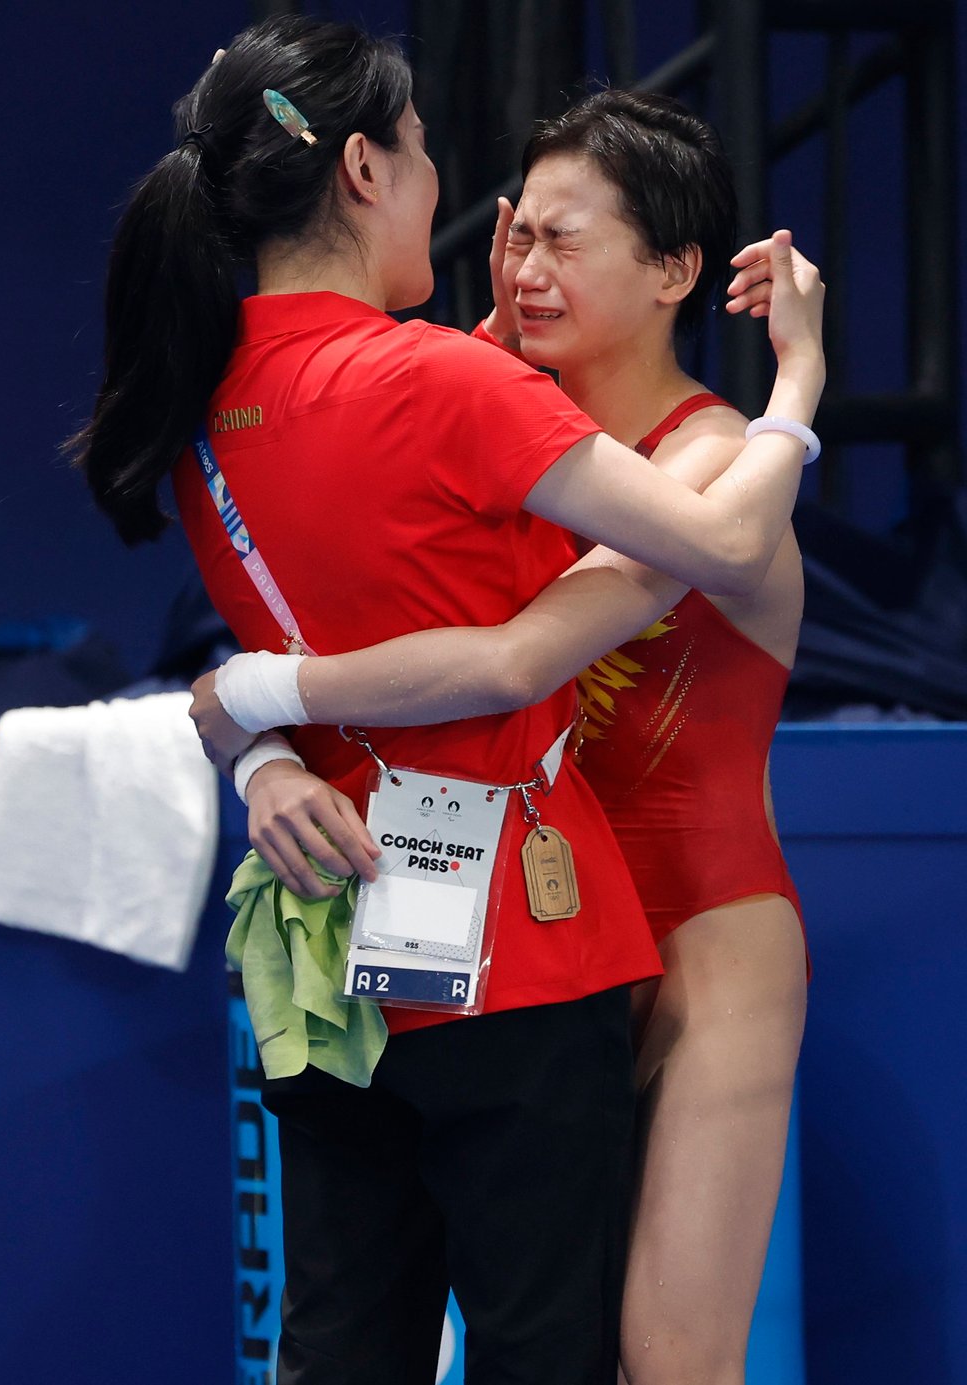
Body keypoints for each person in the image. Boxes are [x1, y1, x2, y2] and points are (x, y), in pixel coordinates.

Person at [73, 15, 823, 1384]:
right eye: (511, 228)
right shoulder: (457, 391)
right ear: (364, 174)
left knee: (658, 1359)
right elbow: (471, 640)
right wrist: (258, 736)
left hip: (682, 926)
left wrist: (252, 711)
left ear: (674, 272)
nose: (522, 261)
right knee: (524, 1338)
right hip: (512, 930)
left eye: (564, 237)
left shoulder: (685, 446)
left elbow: (598, 603)